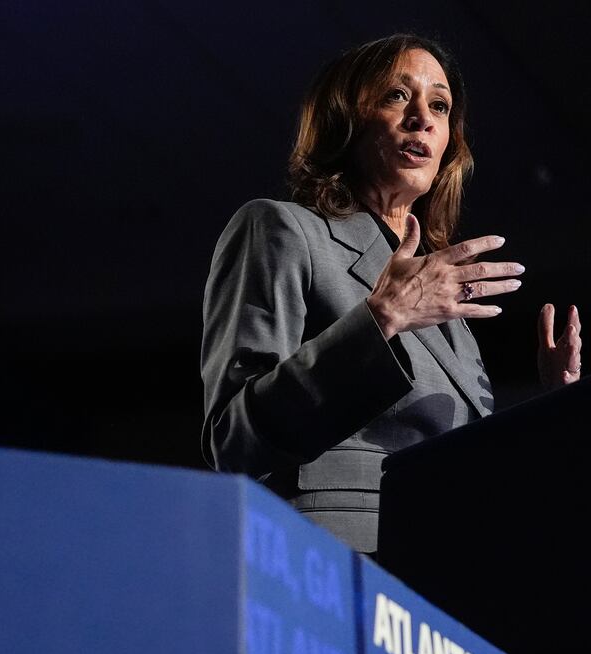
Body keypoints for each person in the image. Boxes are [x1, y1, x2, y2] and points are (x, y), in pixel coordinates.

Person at [200, 33, 582, 554]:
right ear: (345, 119)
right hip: (336, 561)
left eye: (440, 105)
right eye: (397, 96)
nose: (422, 117)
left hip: (448, 580)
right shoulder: (282, 230)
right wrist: (381, 319)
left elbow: (477, 472)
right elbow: (233, 440)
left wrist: (555, 415)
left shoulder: (443, 298)